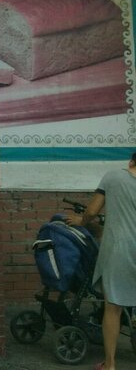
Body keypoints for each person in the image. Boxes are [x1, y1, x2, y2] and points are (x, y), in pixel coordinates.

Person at [65, 153, 136, 370]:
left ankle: (110, 365)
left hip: (120, 250)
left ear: (132, 161)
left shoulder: (113, 177)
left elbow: (92, 211)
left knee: (113, 307)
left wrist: (81, 221)